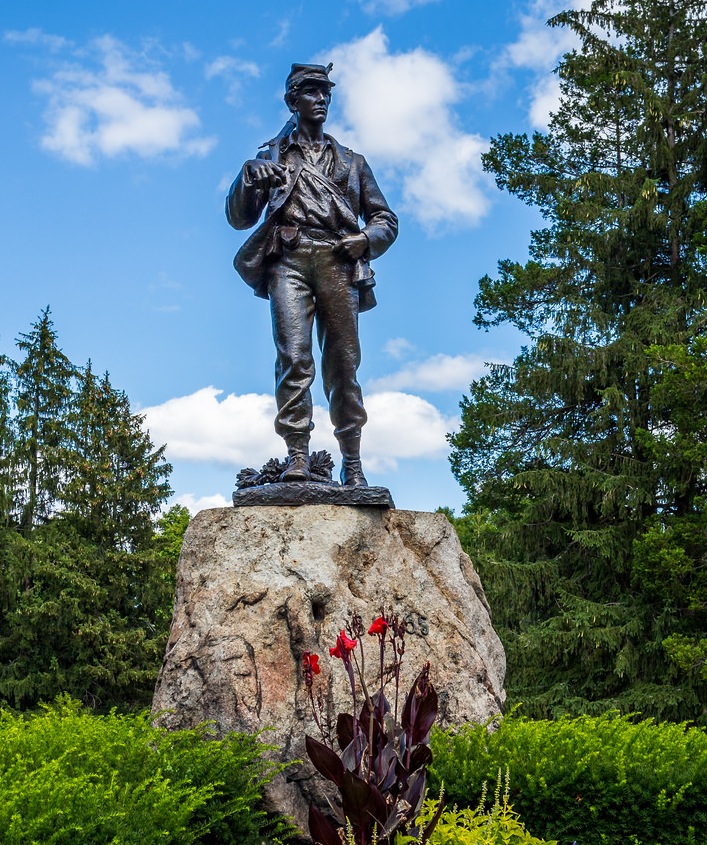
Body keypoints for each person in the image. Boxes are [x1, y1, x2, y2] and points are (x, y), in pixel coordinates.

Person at [226, 63, 398, 487]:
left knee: (343, 363)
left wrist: (365, 239)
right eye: (312, 92)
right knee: (294, 357)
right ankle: (297, 455)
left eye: (326, 93)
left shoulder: (351, 162)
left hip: (338, 262)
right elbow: (238, 219)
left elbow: (385, 218)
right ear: (292, 100)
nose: (321, 99)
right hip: (290, 259)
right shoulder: (270, 157)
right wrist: (248, 178)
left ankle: (352, 463)